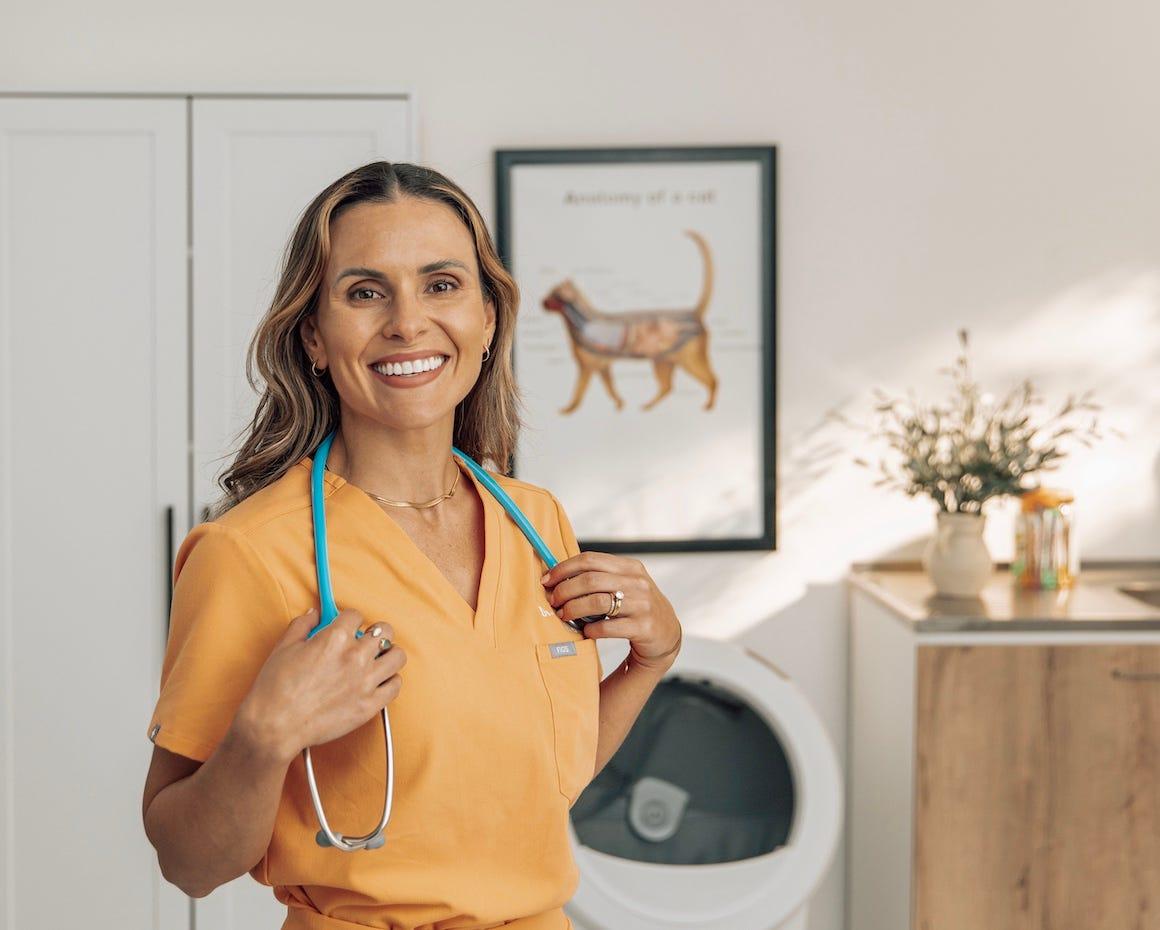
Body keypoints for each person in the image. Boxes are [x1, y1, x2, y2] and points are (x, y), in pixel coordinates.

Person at [140, 160, 683, 930]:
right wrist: (264, 738)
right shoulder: (249, 553)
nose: (407, 322)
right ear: (315, 338)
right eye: (365, 292)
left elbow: (524, 795)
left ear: (488, 319)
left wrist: (651, 661)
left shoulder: (538, 524)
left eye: (441, 284)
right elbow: (188, 863)